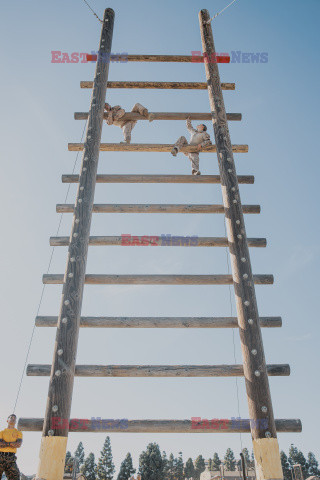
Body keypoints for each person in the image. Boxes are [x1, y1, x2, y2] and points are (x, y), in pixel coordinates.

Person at [0, 414, 23, 480]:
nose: (13, 419)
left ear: (15, 421)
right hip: (0, 456)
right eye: (11, 418)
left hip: (11, 458)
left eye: (14, 418)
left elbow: (18, 444)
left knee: (16, 476)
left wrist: (5, 443)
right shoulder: (2, 432)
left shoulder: (19, 432)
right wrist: (12, 444)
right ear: (7, 420)